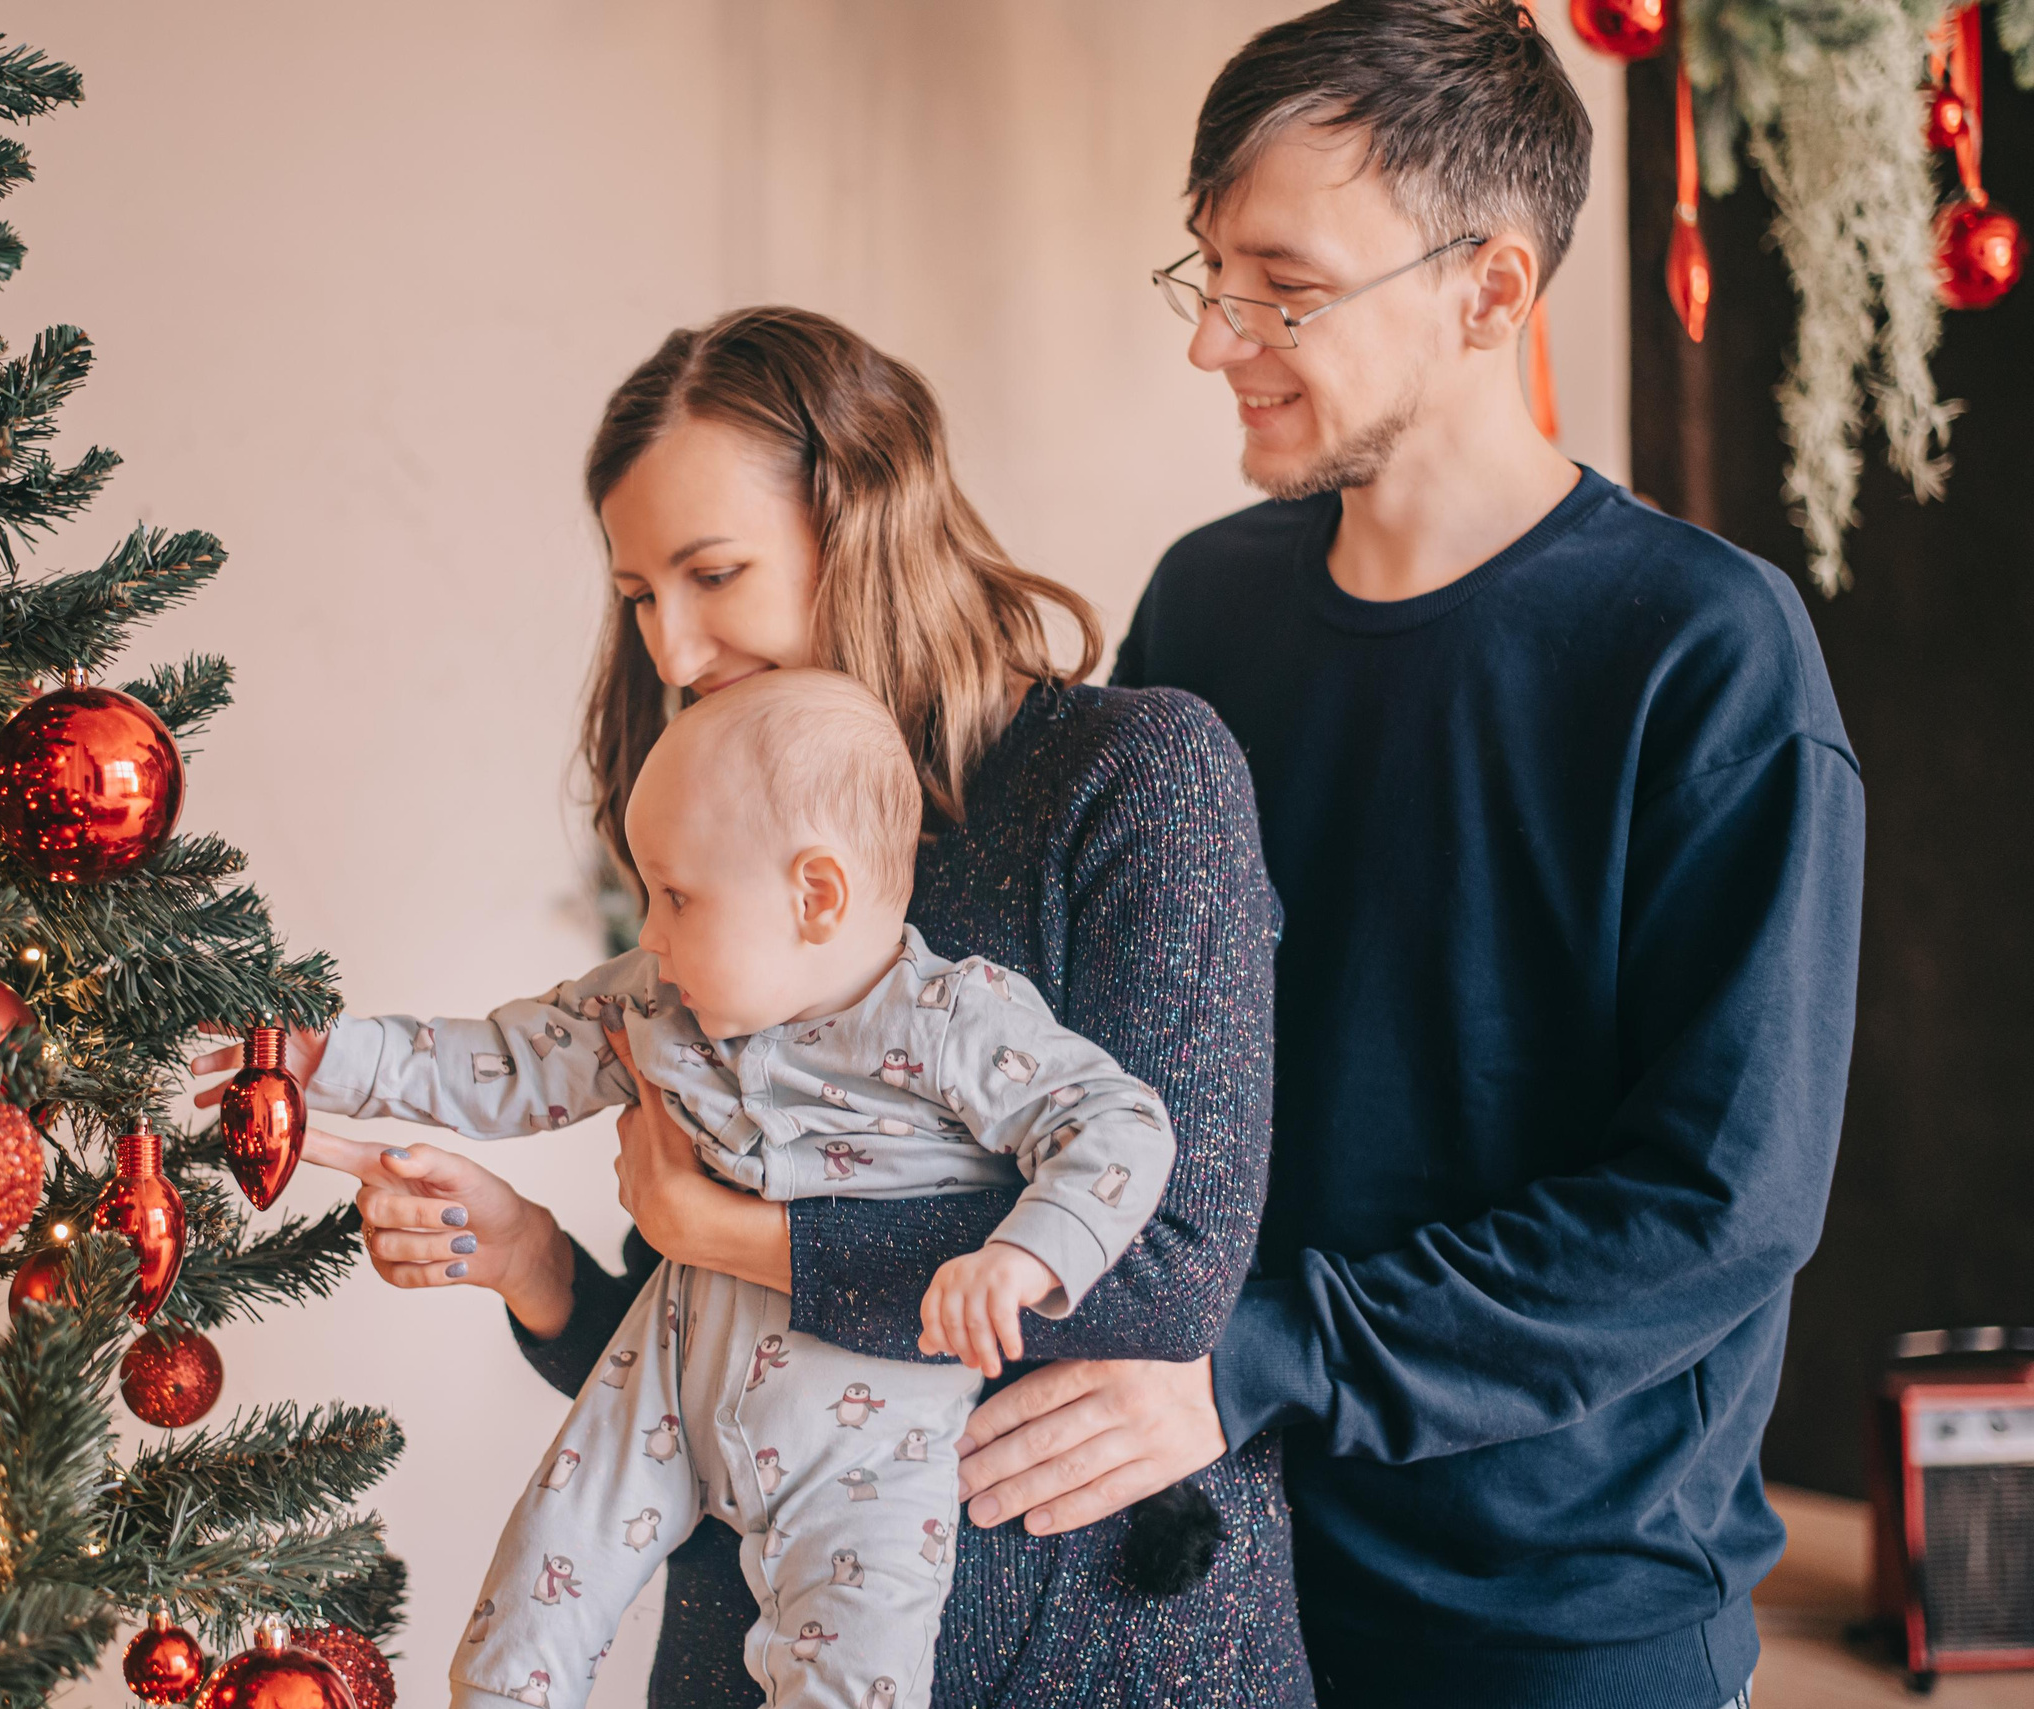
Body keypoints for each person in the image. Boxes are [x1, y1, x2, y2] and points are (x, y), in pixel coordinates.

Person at [199, 307, 1311, 1706]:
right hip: (741, 1650)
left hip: (1090, 1643)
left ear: (865, 520)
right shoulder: (712, 825)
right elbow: (716, 1375)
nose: (672, 648)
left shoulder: (1127, 775)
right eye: (637, 594)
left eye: (712, 573)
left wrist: (732, 1230)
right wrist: (533, 1262)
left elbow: (1167, 1267)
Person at [1095, 4, 1865, 1706]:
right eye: (1208, 272)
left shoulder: (1702, 653)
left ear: (1491, 291)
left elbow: (1716, 1204)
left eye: (1283, 286)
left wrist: (1271, 1354)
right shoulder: (1202, 606)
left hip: (1560, 1621)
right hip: (1212, 1558)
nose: (1216, 338)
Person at [306, 669, 1181, 1709]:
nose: (650, 932)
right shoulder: (658, 1000)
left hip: (871, 1444)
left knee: (854, 1673)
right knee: (536, 1591)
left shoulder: (956, 1019)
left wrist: (1024, 1256)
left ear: (816, 896)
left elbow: (1118, 1123)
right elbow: (505, 1055)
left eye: (676, 896)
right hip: (664, 1374)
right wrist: (328, 1058)